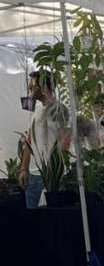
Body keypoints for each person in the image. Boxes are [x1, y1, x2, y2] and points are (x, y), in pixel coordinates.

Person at [18, 70, 71, 209]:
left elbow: (65, 142)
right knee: (32, 223)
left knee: (48, 222)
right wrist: (24, 168)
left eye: (32, 86)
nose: (30, 89)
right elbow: (30, 140)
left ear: (43, 87)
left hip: (49, 177)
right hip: (33, 175)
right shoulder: (37, 109)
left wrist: (54, 177)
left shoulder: (59, 110)